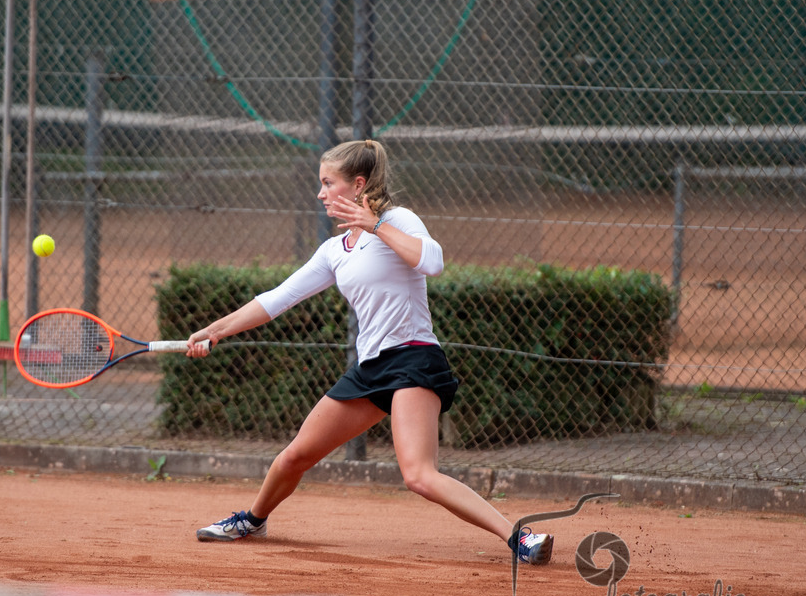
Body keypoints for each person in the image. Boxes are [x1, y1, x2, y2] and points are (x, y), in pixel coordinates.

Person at [185, 140, 553, 565]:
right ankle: (252, 520)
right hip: (370, 368)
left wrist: (376, 224)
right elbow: (278, 298)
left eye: (328, 183)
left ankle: (520, 538)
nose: (321, 193)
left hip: (414, 360)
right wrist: (214, 331)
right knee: (296, 456)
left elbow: (432, 263)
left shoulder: (398, 220)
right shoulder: (334, 250)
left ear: (357, 185)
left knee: (418, 475)